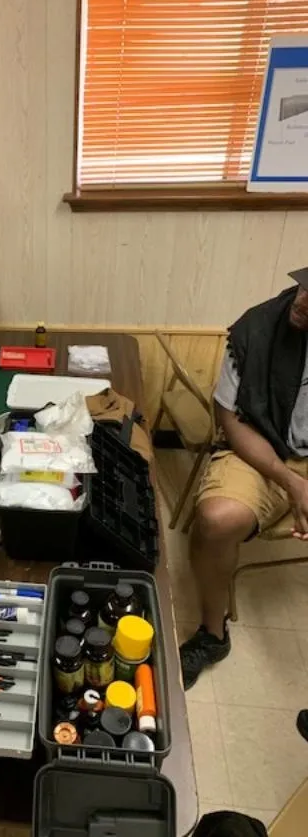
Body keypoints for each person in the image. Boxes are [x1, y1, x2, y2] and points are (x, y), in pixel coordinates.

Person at [179, 269, 308, 690]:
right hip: (262, 450)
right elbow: (232, 421)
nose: (303, 300)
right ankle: (212, 635)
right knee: (216, 520)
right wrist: (290, 482)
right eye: (306, 287)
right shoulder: (258, 327)